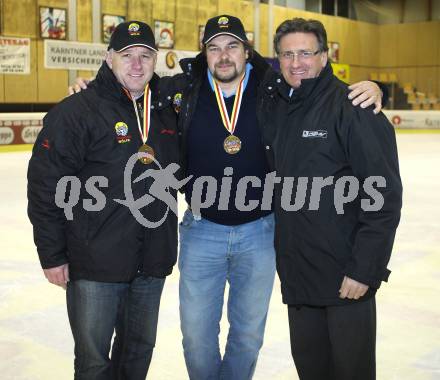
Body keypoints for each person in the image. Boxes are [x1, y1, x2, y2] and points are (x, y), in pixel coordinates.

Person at [68, 15, 385, 380]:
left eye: (232, 46)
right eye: (215, 47)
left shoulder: (275, 87)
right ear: (205, 53)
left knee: (248, 337)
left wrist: (373, 86)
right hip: (202, 230)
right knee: (197, 339)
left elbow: (316, 84)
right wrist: (91, 85)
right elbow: (130, 83)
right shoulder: (182, 90)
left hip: (261, 231)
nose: (224, 55)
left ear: (247, 51)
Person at [28, 21, 179, 379]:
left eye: (146, 56)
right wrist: (52, 254)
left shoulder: (166, 111)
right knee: (95, 363)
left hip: (151, 260)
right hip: (95, 263)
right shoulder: (77, 111)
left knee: (138, 353)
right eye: (127, 55)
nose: (137, 64)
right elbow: (45, 186)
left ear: (156, 60)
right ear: (109, 58)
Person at [258, 18, 402, 380]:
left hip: (345, 281)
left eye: (306, 52)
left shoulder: (353, 107)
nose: (296, 62)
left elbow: (383, 198)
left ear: (325, 56)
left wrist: (364, 269)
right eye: (287, 54)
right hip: (299, 279)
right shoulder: (280, 107)